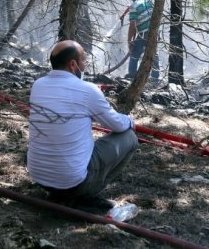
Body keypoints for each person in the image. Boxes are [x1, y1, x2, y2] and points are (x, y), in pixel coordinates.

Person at [27, 40, 138, 212]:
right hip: (72, 183)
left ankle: (60, 194)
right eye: (83, 61)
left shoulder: (38, 85)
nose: (85, 65)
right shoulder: (87, 90)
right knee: (129, 137)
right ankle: (88, 194)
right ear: (73, 64)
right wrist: (130, 120)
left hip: (40, 178)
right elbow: (117, 125)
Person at [124, 0, 159, 82]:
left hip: (144, 33)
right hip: (155, 31)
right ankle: (155, 78)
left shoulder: (134, 6)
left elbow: (132, 26)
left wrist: (130, 41)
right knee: (154, 54)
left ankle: (131, 77)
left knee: (134, 54)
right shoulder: (147, 0)